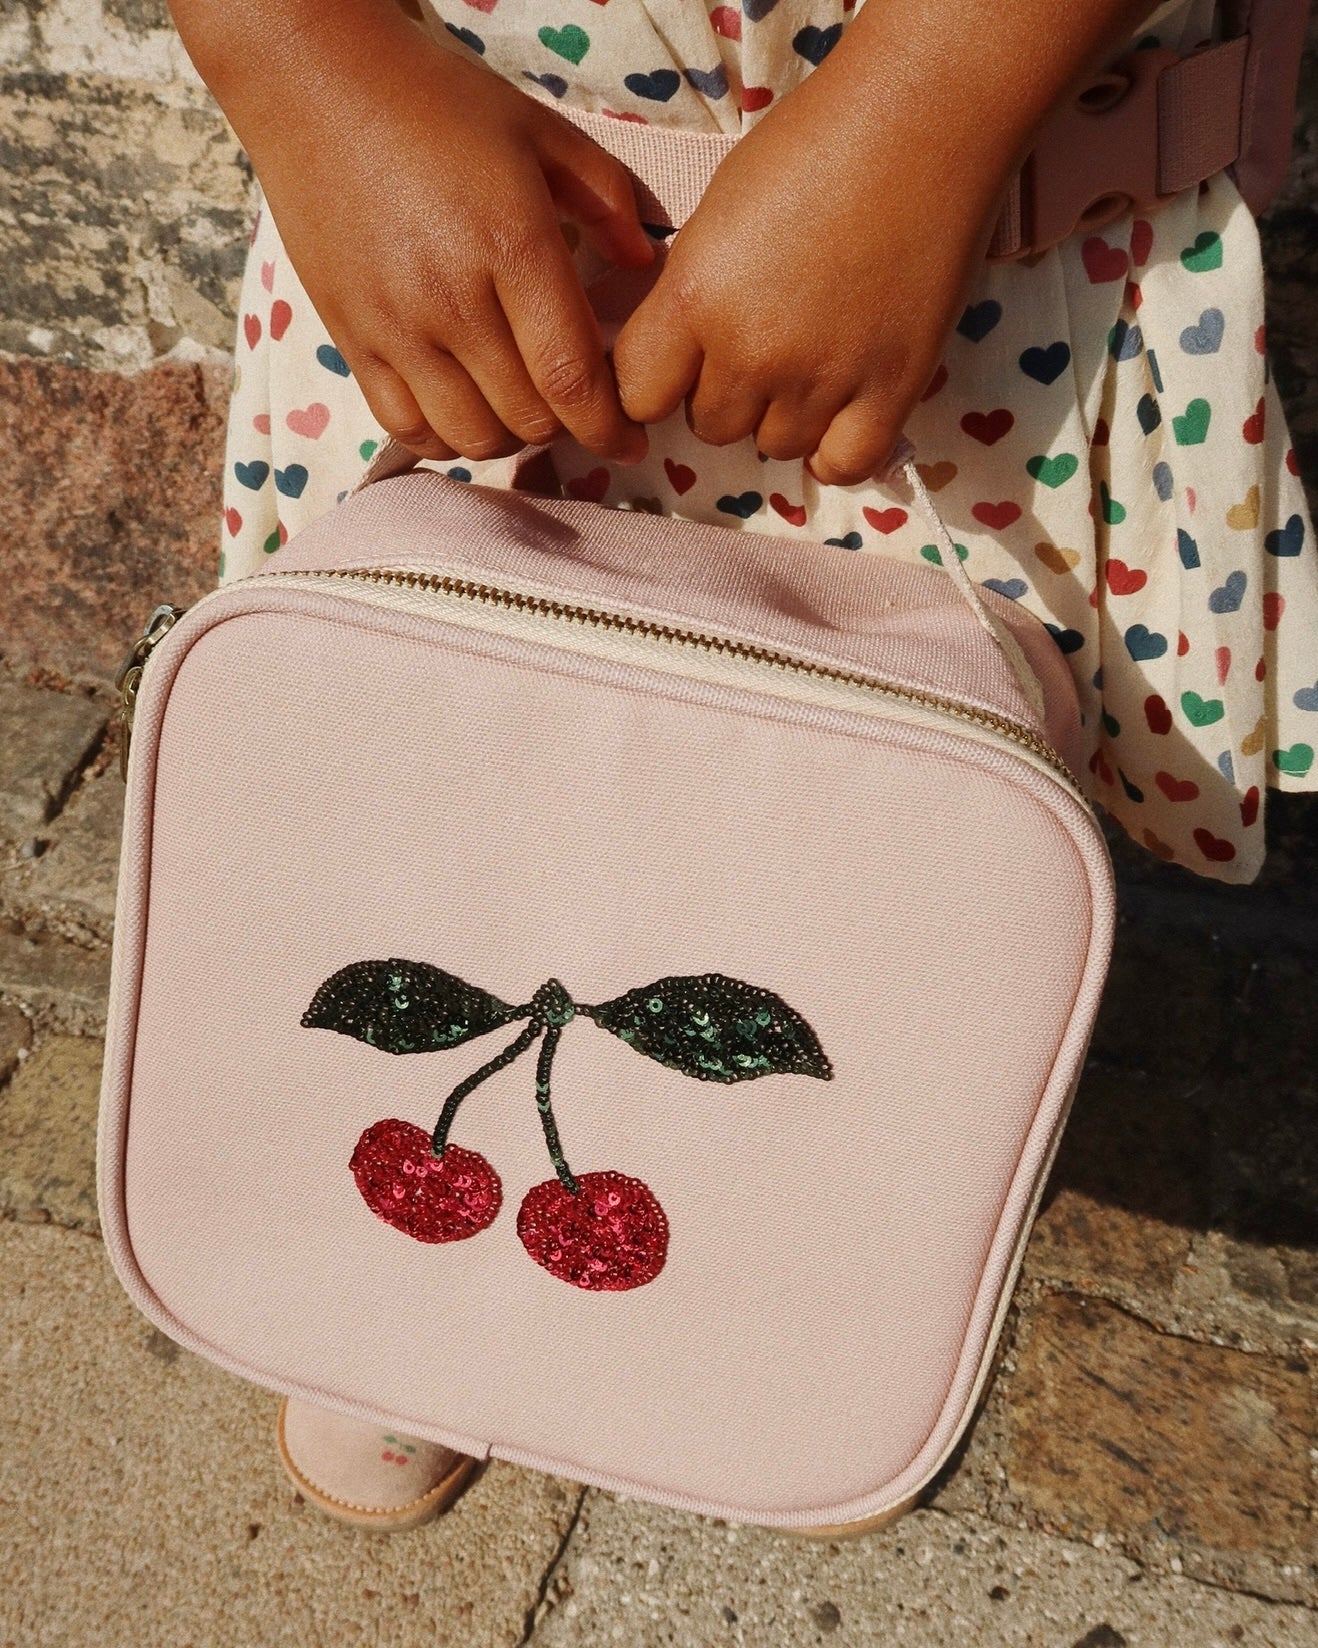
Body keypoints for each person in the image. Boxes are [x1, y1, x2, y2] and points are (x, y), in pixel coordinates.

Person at [168, 0, 1317, 1527]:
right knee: (438, 784)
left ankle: (789, 1281)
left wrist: (928, 110)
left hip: (974, 201)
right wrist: (295, 56)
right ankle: (415, 1295)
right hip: (450, 206)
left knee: (879, 846)